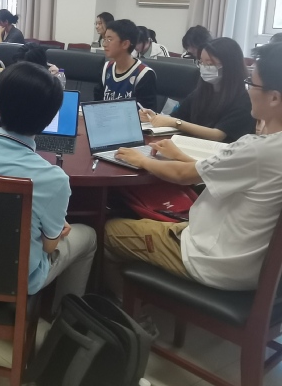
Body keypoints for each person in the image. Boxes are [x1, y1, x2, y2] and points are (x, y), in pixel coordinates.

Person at [105, 42, 282, 292]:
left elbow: (183, 176)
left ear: (274, 97)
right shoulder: (269, 148)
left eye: (252, 83)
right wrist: (180, 155)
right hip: (251, 262)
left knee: (109, 230)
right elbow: (216, 172)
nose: (249, 89)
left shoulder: (258, 149)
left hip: (213, 260)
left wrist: (142, 160)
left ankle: (121, 309)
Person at [0, 63, 96, 308]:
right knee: (89, 236)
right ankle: (65, 318)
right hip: (13, 281)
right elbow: (49, 246)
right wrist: (55, 230)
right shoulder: (54, 179)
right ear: (48, 119)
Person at [140, 37, 255, 143]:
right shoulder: (202, 91)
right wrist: (154, 117)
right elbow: (177, 116)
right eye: (201, 62)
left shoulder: (244, 99)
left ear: (230, 66)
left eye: (209, 64)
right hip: (191, 145)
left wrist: (176, 123)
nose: (203, 67)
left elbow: (218, 135)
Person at [94, 19, 157, 111]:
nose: (104, 44)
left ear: (125, 44)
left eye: (109, 40)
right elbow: (96, 104)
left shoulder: (144, 74)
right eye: (105, 39)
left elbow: (147, 114)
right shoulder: (106, 68)